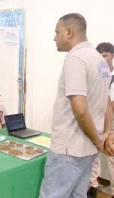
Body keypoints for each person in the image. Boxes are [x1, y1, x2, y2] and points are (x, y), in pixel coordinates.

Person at [39, 13, 112, 198]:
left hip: (68, 150)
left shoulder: (76, 59)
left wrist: (98, 139)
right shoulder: (100, 61)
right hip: (88, 149)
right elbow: (107, 103)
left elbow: (80, 109)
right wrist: (105, 134)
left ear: (69, 32)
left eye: (57, 32)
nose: (54, 37)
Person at [88, 42, 114, 198]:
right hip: (97, 122)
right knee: (93, 157)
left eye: (105, 55)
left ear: (112, 56)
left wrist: (109, 130)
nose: (102, 59)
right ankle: (93, 187)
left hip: (112, 124)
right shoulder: (98, 76)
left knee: (112, 158)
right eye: (100, 56)